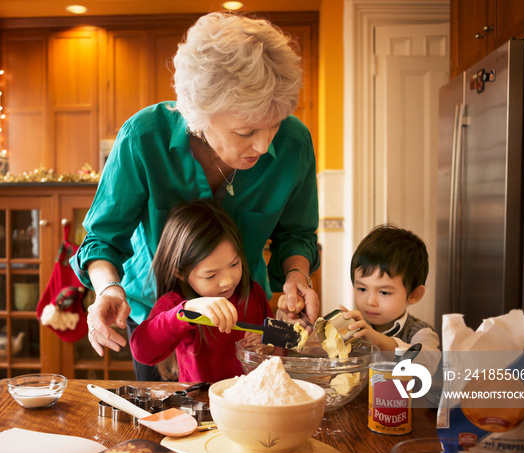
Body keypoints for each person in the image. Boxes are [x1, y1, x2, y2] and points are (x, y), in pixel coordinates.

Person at [70, 11, 320, 381]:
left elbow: (295, 235)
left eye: (274, 124)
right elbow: (102, 240)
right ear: (200, 114)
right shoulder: (144, 138)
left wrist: (297, 278)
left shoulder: (293, 146)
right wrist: (108, 288)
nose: (265, 145)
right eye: (246, 130)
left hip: (244, 336)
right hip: (159, 323)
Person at [130, 199, 272, 382]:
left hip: (252, 403)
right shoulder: (176, 305)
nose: (228, 281)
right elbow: (142, 351)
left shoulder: (253, 293)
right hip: (199, 405)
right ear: (180, 273)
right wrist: (188, 311)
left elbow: (278, 353)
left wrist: (267, 347)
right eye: (211, 275)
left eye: (234, 264)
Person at [342, 225, 441, 374]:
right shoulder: (353, 327)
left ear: (414, 294)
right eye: (362, 289)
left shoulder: (420, 332)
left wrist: (378, 340)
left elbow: (427, 364)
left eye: (384, 292)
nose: (370, 301)